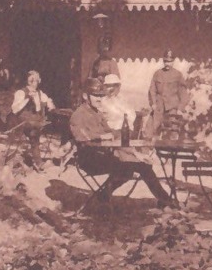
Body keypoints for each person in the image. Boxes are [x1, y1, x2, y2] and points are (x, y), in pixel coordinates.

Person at [68, 77, 175, 210]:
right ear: (85, 96)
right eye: (96, 96)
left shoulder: (97, 113)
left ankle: (105, 194)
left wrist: (133, 150)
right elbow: (81, 137)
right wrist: (103, 136)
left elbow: (111, 134)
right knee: (133, 167)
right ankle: (165, 200)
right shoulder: (79, 115)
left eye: (101, 96)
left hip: (103, 155)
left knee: (139, 165)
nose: (100, 99)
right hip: (89, 159)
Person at [147, 50, 186, 137]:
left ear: (173, 61)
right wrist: (153, 103)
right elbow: (152, 90)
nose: (167, 64)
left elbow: (183, 93)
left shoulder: (178, 75)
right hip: (159, 106)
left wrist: (180, 108)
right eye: (165, 61)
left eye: (170, 61)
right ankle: (151, 149)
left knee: (173, 131)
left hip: (173, 108)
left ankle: (171, 148)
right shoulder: (157, 74)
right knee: (152, 129)